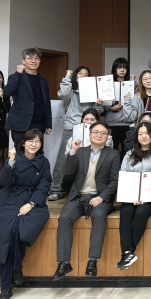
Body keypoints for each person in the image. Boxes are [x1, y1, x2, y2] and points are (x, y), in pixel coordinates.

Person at [0, 129, 51, 299]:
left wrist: (31, 203)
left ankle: (17, 268)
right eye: (30, 141)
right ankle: (5, 287)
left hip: (32, 201)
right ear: (23, 143)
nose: (33, 144)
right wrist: (11, 161)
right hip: (8, 200)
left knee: (19, 228)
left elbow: (44, 185)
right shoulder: (14, 158)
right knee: (4, 237)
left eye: (37, 141)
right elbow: (4, 182)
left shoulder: (43, 162)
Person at [53, 121, 120, 280]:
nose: (99, 135)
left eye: (103, 133)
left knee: (99, 216)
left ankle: (92, 261)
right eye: (95, 132)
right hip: (78, 196)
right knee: (64, 218)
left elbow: (115, 181)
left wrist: (102, 197)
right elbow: (67, 172)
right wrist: (72, 152)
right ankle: (64, 263)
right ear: (89, 135)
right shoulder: (80, 151)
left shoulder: (113, 154)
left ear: (107, 136)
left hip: (100, 197)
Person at [116, 122, 151, 270]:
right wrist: (134, 195)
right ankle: (127, 253)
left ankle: (129, 251)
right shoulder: (129, 154)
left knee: (141, 212)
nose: (143, 136)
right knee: (125, 212)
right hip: (133, 196)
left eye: (147, 133)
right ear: (136, 136)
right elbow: (124, 177)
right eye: (140, 134)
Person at [49, 67, 105, 201]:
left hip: (90, 130)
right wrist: (67, 77)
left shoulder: (92, 93)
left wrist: (98, 104)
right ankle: (56, 189)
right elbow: (63, 94)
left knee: (89, 160)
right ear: (75, 77)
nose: (83, 76)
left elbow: (97, 112)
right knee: (63, 159)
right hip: (71, 129)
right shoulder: (70, 93)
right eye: (80, 74)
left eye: (86, 74)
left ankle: (84, 189)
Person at [4, 48, 52, 147]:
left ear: (40, 61)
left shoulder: (43, 80)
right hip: (20, 124)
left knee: (37, 152)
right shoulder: (16, 77)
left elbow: (47, 103)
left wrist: (48, 124)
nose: (33, 61)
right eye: (30, 58)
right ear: (23, 61)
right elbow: (7, 92)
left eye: (36, 58)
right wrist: (18, 73)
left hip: (38, 124)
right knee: (20, 152)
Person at [122, 69, 151, 137]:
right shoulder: (137, 97)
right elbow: (131, 117)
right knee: (143, 143)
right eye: (145, 79)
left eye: (150, 78)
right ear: (141, 82)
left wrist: (150, 114)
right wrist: (127, 101)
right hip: (142, 132)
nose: (148, 81)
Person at [104, 58, 136, 155]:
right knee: (112, 151)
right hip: (112, 122)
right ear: (115, 69)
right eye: (119, 68)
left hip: (127, 123)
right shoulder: (108, 84)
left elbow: (135, 103)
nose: (122, 70)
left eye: (124, 68)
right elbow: (101, 105)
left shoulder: (132, 84)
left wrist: (132, 83)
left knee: (127, 151)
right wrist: (110, 108)